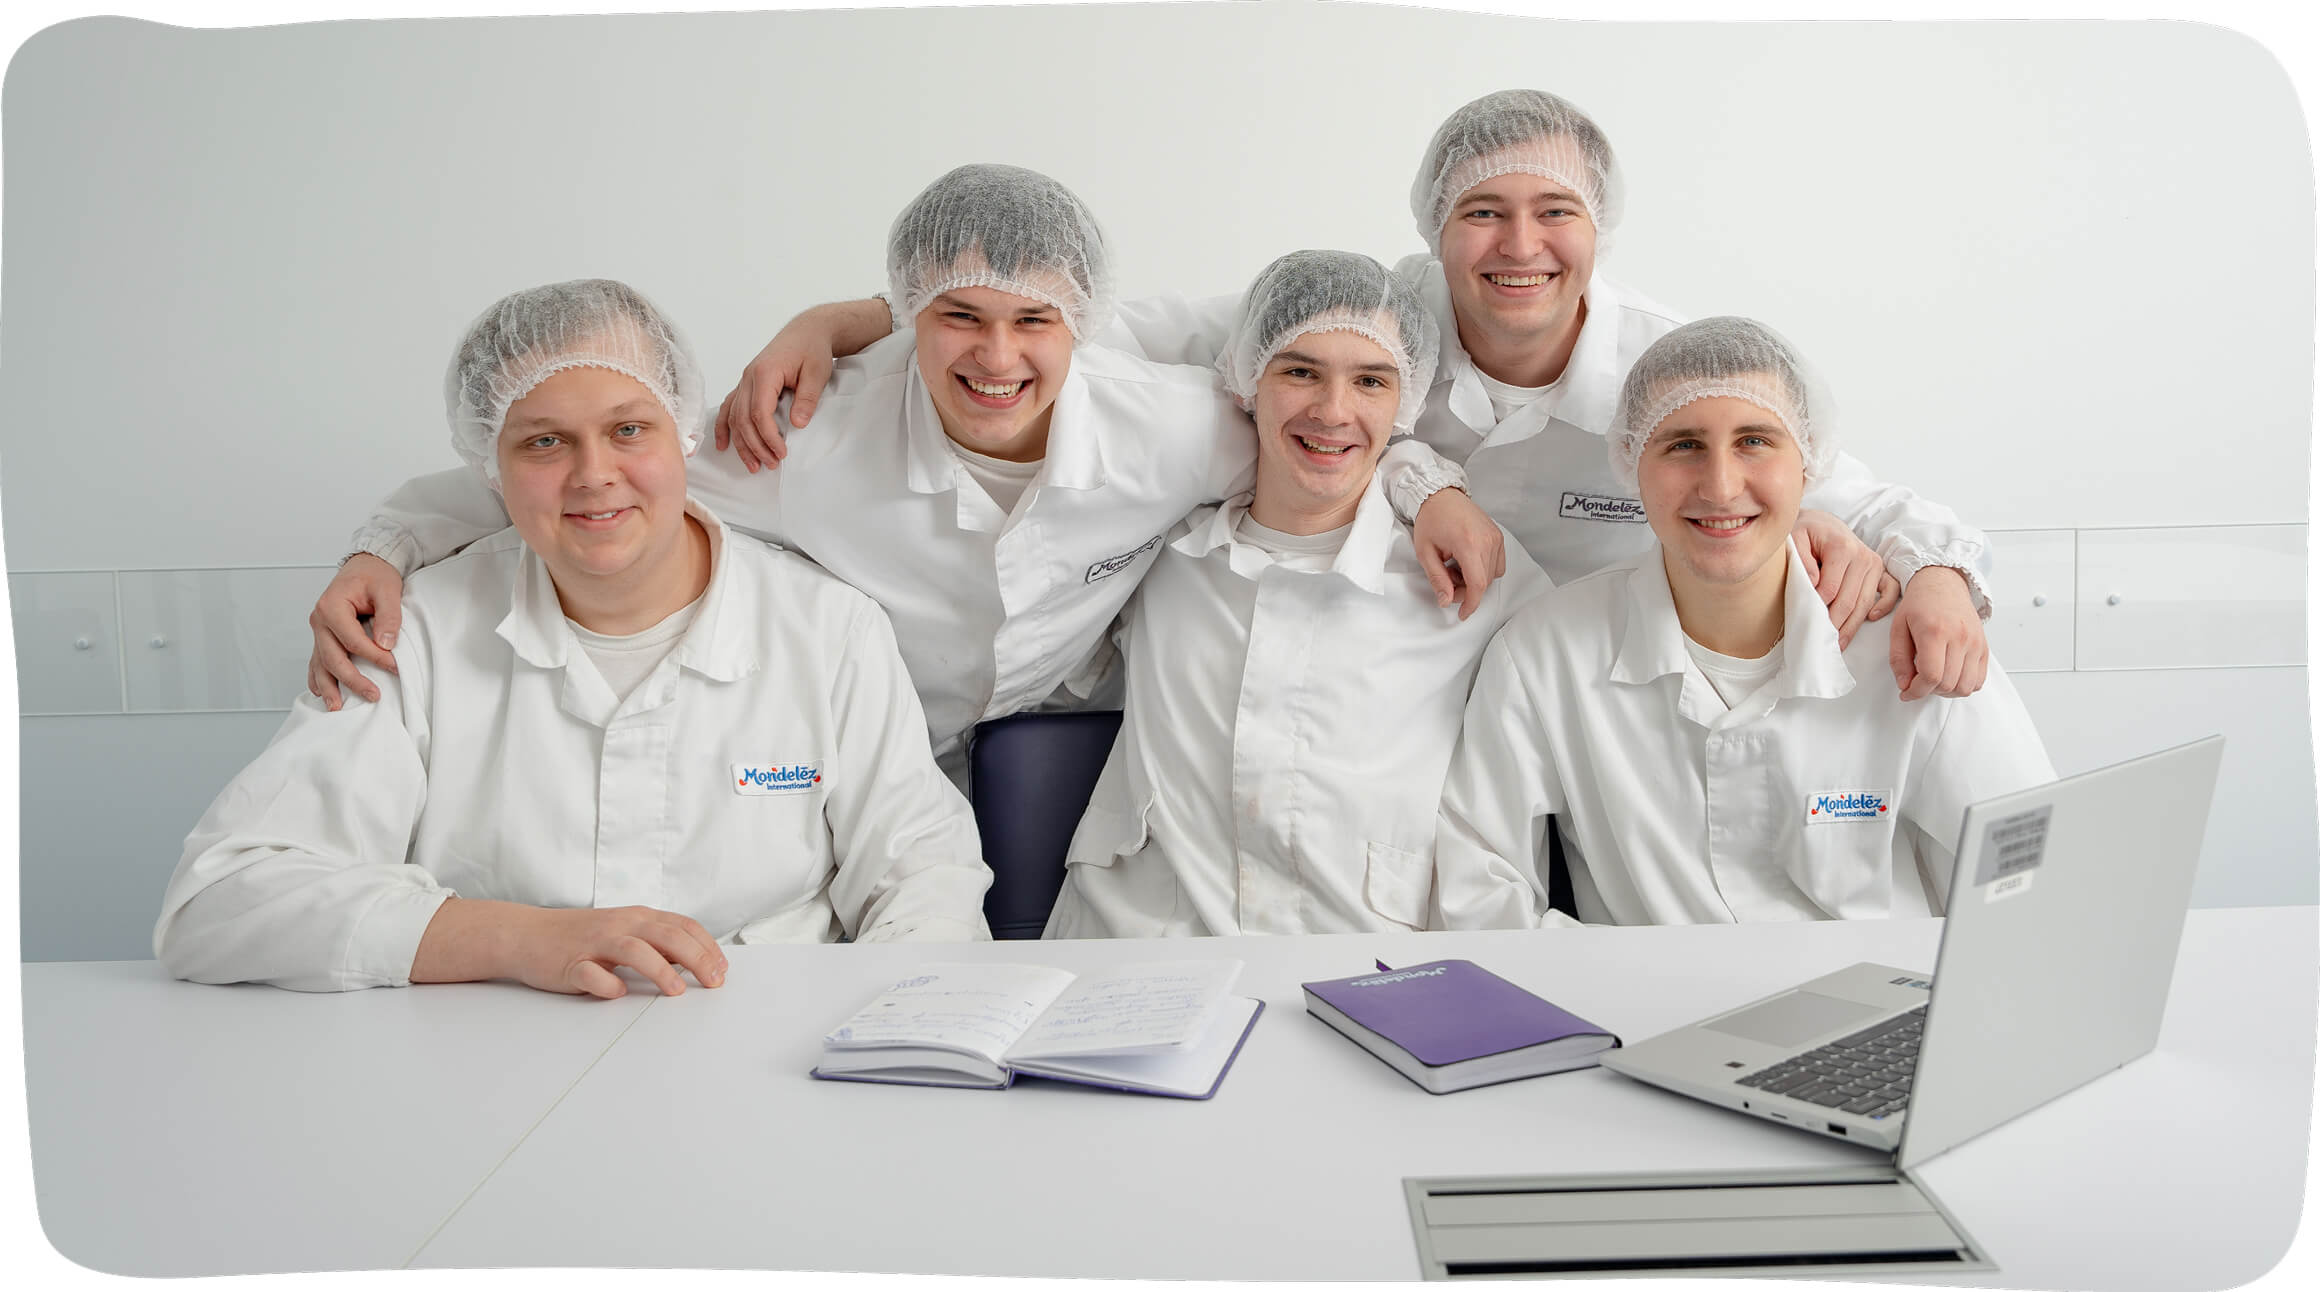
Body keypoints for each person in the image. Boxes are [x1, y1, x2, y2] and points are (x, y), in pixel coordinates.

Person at [722, 90, 1992, 702]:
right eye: (1481, 211)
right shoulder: (1365, 319)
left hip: (1608, 686)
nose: (1519, 246)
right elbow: (1069, 321)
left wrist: (1935, 574)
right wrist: (850, 319)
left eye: (1554, 211)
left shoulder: (1672, 378)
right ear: (1434, 225)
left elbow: (1833, 485)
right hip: (1393, 673)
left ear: (1598, 226)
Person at [303, 166, 1503, 787]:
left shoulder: (1173, 427)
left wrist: (1427, 484)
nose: (996, 356)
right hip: (876, 751)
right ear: (905, 315)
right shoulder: (806, 436)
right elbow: (594, 469)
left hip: (1075, 734)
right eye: (957, 316)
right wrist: (383, 547)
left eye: (1034, 320)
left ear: (1082, 320)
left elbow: (1329, 407)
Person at [156, 280, 992, 995]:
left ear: (683, 435)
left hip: (770, 1053)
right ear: (491, 466)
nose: (594, 475)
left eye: (629, 430)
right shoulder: (417, 634)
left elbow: (925, 878)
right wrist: (523, 941)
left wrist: (888, 1038)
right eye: (545, 442)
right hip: (488, 1073)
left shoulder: (829, 630)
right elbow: (221, 899)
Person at [1434, 318, 2054, 927]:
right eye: (1683, 445)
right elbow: (1479, 888)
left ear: (1810, 463)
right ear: (1630, 462)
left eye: (1755, 440)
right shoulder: (1546, 655)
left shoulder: (1910, 643)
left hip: (1885, 986)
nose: (1721, 486)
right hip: (1651, 992)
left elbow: (2033, 869)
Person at [1043, 251, 1550, 939]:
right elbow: (1042, 357)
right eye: (1300, 371)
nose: (1333, 411)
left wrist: (1424, 479)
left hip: (1370, 960)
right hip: (1140, 949)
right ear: (1246, 379)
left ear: (1406, 400)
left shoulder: (1476, 571)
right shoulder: (1162, 552)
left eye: (1370, 381)